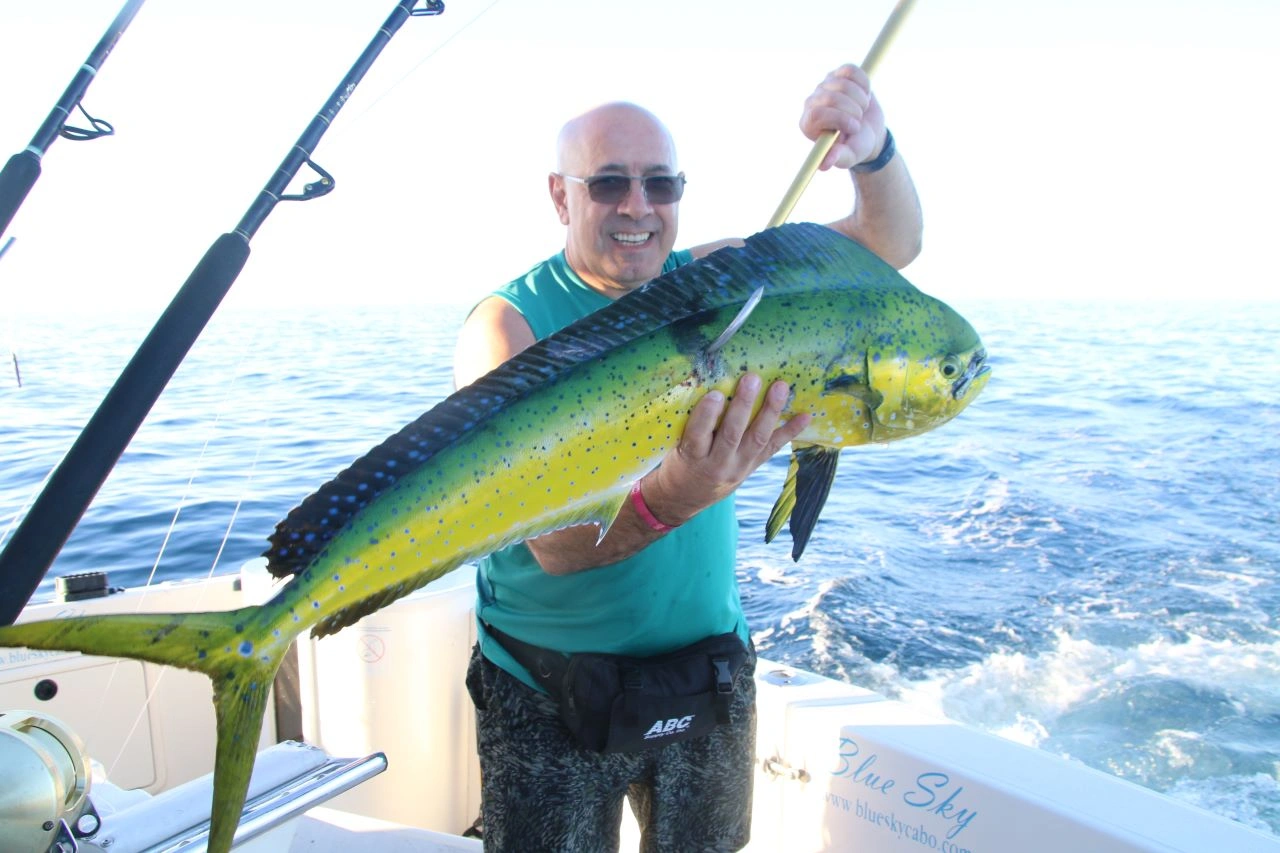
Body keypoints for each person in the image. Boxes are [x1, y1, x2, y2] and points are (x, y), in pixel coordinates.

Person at [452, 63, 923, 852]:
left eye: (660, 184)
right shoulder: (509, 327)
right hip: (546, 683)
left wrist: (874, 154)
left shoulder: (716, 286)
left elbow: (889, 245)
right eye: (608, 184)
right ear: (561, 195)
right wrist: (673, 496)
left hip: (706, 669)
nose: (638, 206)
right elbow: (554, 546)